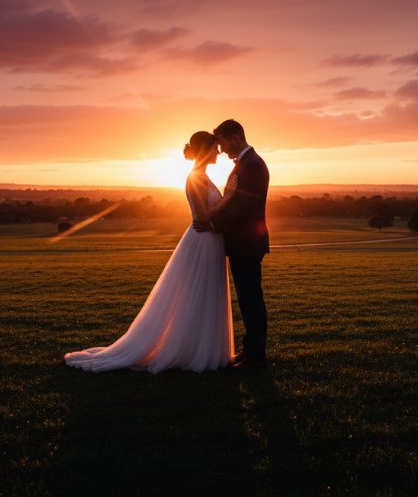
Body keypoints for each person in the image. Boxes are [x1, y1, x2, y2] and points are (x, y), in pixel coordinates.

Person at [64, 131, 235, 373]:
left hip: (211, 240)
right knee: (198, 292)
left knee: (207, 293)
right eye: (215, 148)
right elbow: (200, 216)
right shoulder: (195, 177)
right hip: (202, 240)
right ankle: (192, 351)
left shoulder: (203, 176)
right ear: (205, 150)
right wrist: (228, 197)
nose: (218, 153)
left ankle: (202, 347)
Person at [194, 119, 270, 369]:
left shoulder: (253, 166)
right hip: (241, 243)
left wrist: (215, 225)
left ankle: (256, 357)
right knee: (247, 299)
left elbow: (245, 207)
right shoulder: (246, 165)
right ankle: (250, 352)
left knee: (251, 300)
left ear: (234, 138)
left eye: (223, 144)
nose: (223, 151)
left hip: (247, 243)